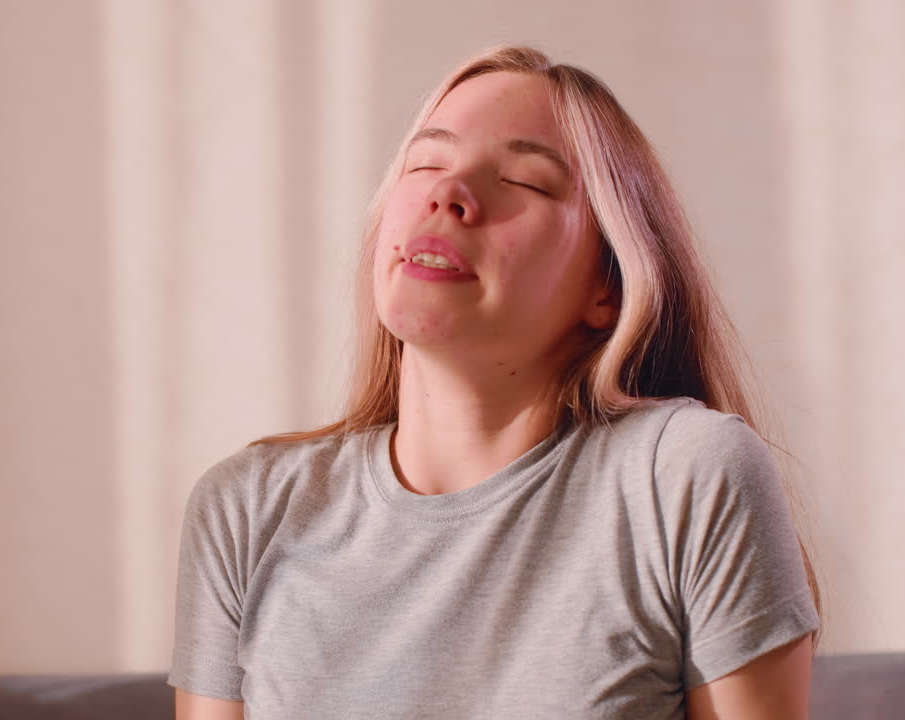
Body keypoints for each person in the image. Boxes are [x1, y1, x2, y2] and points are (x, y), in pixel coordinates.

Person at [169, 44, 821, 720]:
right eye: (425, 164)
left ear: (607, 287)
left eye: (526, 182)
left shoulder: (686, 477)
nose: (447, 194)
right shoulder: (245, 509)